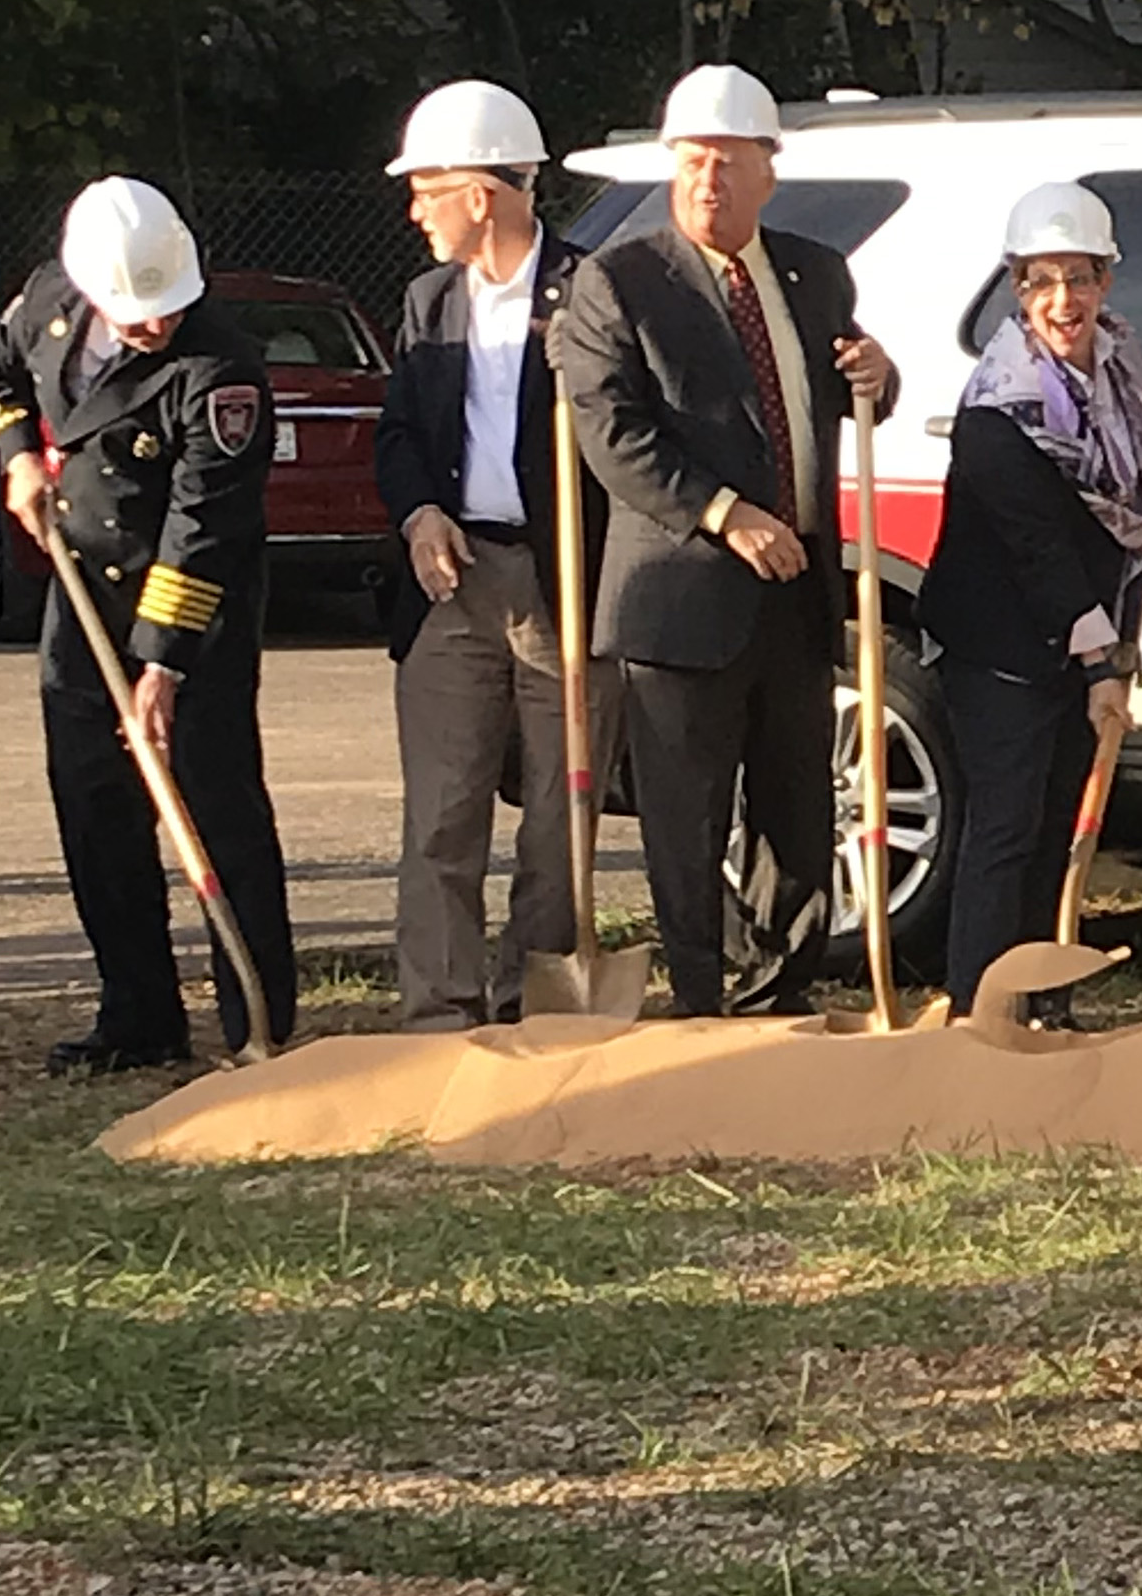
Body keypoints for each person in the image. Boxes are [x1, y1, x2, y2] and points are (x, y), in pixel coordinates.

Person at [549, 63, 899, 1018]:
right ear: (672, 167)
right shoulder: (618, 282)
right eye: (695, 161)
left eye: (730, 163)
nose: (711, 180)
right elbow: (612, 434)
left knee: (797, 811)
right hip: (681, 600)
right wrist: (725, 514)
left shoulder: (816, 274)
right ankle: (699, 998)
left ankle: (781, 991)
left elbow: (850, 387)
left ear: (768, 173)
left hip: (795, 595)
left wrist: (879, 374)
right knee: (687, 820)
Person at [0, 177, 299, 1072]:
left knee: (214, 811)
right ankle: (138, 1014)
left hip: (192, 611)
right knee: (96, 809)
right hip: (81, 604)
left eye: (166, 309)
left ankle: (258, 1022)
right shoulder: (47, 300)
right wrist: (17, 458)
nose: (155, 325)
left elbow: (207, 528)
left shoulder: (220, 372)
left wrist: (162, 666)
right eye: (135, 313)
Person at [372, 80, 617, 1029]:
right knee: (442, 811)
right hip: (452, 581)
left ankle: (540, 998)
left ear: (481, 194)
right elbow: (399, 432)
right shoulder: (428, 299)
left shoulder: (590, 291)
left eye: (427, 188)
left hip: (562, 581)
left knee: (561, 817)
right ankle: (440, 1007)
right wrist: (419, 512)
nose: (414, 211)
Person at [918, 182, 1142, 1021]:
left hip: (1085, 638)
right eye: (1043, 281)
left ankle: (1045, 1001)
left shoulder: (1123, 362)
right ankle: (977, 1006)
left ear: (1106, 282)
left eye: (1081, 278)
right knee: (1006, 830)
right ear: (1018, 289)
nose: (1065, 301)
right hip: (1004, 649)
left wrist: (1114, 653)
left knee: (1062, 830)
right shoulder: (999, 410)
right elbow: (1042, 554)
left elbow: (1132, 516)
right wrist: (1101, 658)